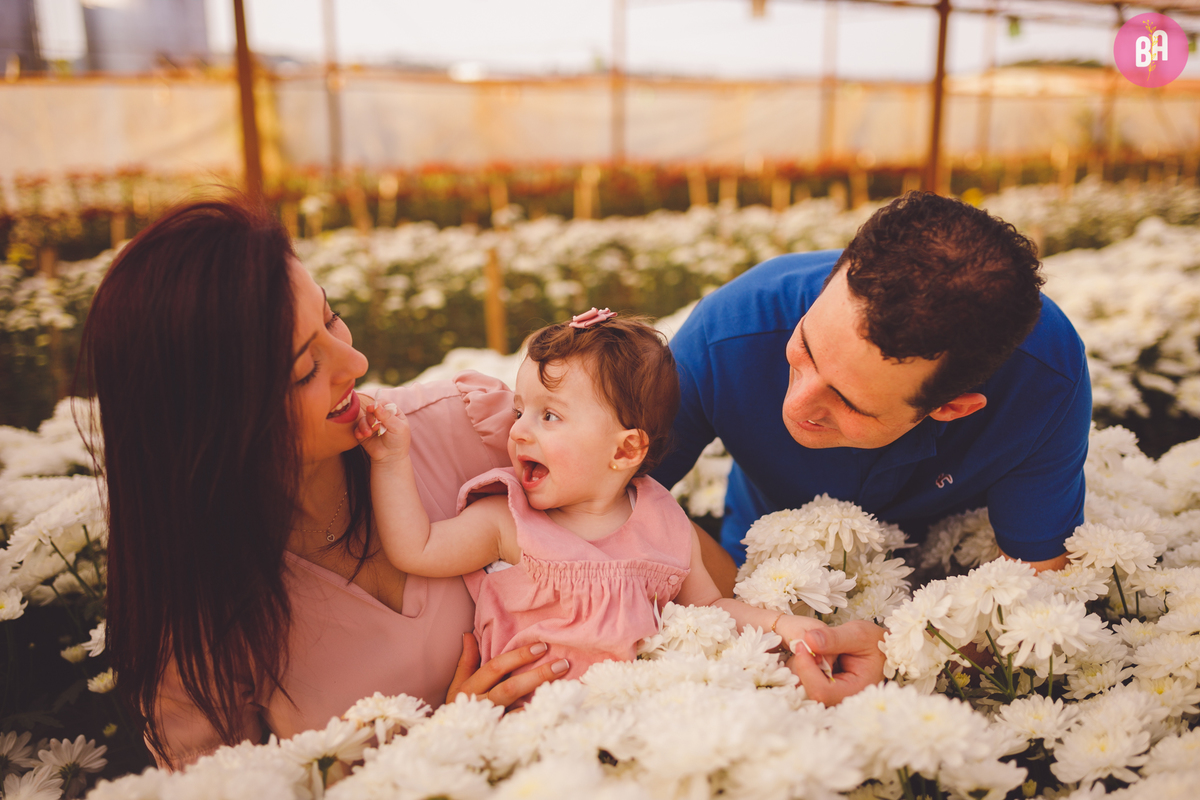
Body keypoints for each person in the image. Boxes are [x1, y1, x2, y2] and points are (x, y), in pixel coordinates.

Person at [76, 199, 564, 770]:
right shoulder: (196, 624)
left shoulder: (472, 429)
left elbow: (642, 530)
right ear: (210, 424)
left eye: (331, 318)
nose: (355, 362)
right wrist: (443, 748)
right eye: (304, 369)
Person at [653, 191, 1091, 700]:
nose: (796, 404)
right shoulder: (730, 327)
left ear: (952, 407)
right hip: (748, 576)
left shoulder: (1045, 382)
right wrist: (739, 617)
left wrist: (909, 656)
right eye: (805, 348)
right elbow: (597, 504)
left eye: (850, 403)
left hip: (941, 593)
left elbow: (1037, 598)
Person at [359, 310, 842, 688]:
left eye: (550, 416)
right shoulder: (508, 520)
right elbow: (416, 548)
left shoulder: (663, 521)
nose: (519, 431)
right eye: (520, 411)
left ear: (625, 450)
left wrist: (782, 625)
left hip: (643, 711)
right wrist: (391, 460)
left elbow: (712, 607)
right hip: (538, 722)